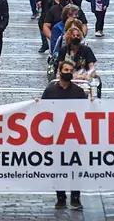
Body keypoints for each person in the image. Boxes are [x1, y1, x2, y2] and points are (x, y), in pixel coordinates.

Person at [41, 61, 86, 210]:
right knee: (58, 168)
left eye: (71, 70)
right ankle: (60, 198)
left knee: (75, 168)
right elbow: (42, 111)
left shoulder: (79, 92)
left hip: (74, 137)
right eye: (66, 70)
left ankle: (75, 198)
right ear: (59, 72)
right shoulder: (50, 91)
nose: (69, 72)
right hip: (56, 137)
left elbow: (86, 113)